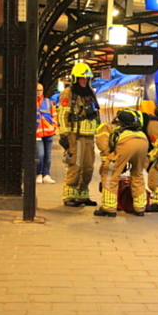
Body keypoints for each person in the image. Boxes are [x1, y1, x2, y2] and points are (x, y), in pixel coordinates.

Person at [58, 62, 100, 207]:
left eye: (86, 78)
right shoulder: (68, 93)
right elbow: (63, 114)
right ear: (75, 79)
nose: (84, 81)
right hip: (75, 136)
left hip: (89, 136)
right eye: (82, 78)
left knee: (88, 167)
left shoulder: (91, 93)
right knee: (75, 165)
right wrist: (64, 135)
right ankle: (69, 196)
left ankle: (83, 194)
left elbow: (96, 114)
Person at [94, 109, 149, 217]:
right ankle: (140, 208)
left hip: (126, 143)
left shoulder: (106, 127)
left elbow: (103, 145)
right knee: (137, 174)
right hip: (143, 141)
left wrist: (106, 162)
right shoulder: (136, 129)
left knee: (111, 176)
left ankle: (109, 208)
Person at [36, 83, 57, 184]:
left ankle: (46, 174)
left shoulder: (49, 102)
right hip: (37, 134)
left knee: (48, 155)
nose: (38, 92)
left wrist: (54, 128)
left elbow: (54, 116)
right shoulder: (31, 102)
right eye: (37, 90)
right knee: (40, 154)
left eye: (40, 90)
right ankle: (39, 174)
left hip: (49, 132)